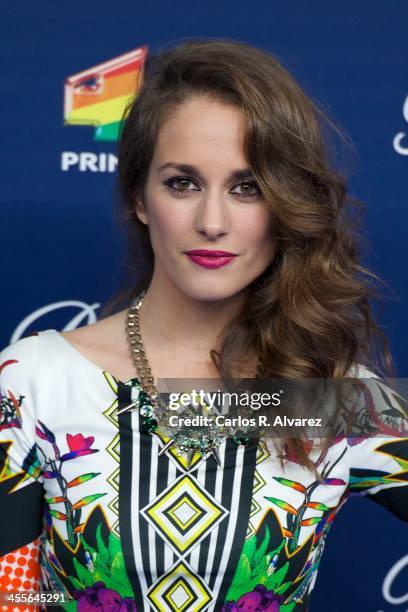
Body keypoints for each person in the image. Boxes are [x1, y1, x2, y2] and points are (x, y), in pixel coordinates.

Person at [0, 38, 407, 612]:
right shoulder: (34, 382)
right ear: (140, 197)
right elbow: (10, 594)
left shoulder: (332, 396)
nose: (212, 221)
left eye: (248, 187)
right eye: (182, 183)